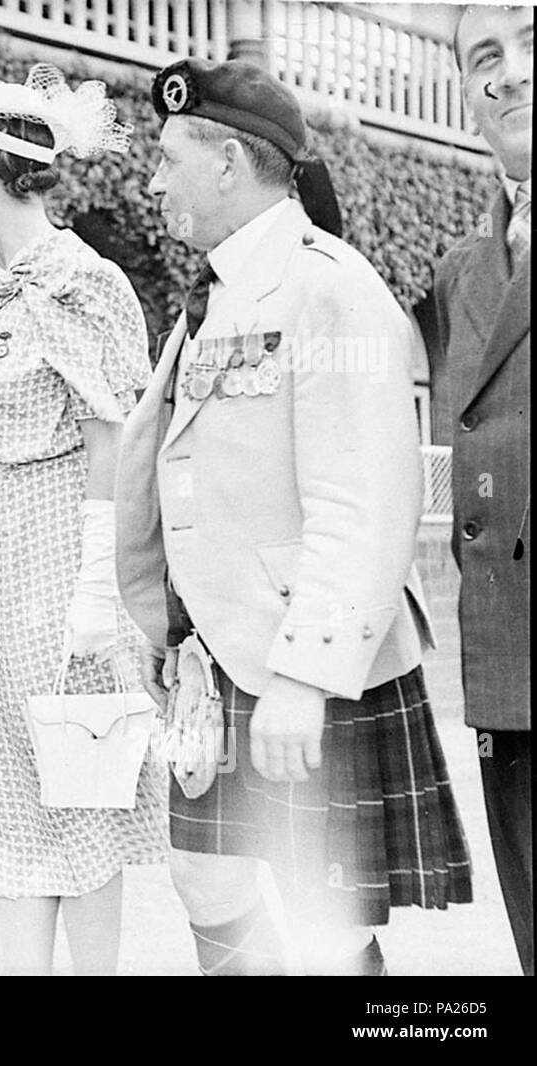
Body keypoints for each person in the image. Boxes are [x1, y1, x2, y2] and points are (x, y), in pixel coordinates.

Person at [114, 57, 472, 976]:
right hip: (216, 651)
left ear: (229, 161)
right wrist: (166, 635)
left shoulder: (331, 289)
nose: (153, 181)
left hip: (296, 654)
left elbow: (364, 501)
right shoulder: (216, 296)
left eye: (169, 159)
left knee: (327, 911)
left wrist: (305, 678)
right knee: (205, 877)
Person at [0, 65, 168, 976]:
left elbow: (112, 440)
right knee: (12, 799)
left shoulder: (86, 284)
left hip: (60, 574)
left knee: (82, 794)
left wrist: (100, 583)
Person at [419, 4, 531, 977]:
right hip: (507, 670)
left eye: (532, 40)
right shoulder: (460, 270)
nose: (506, 74)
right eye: (482, 58)